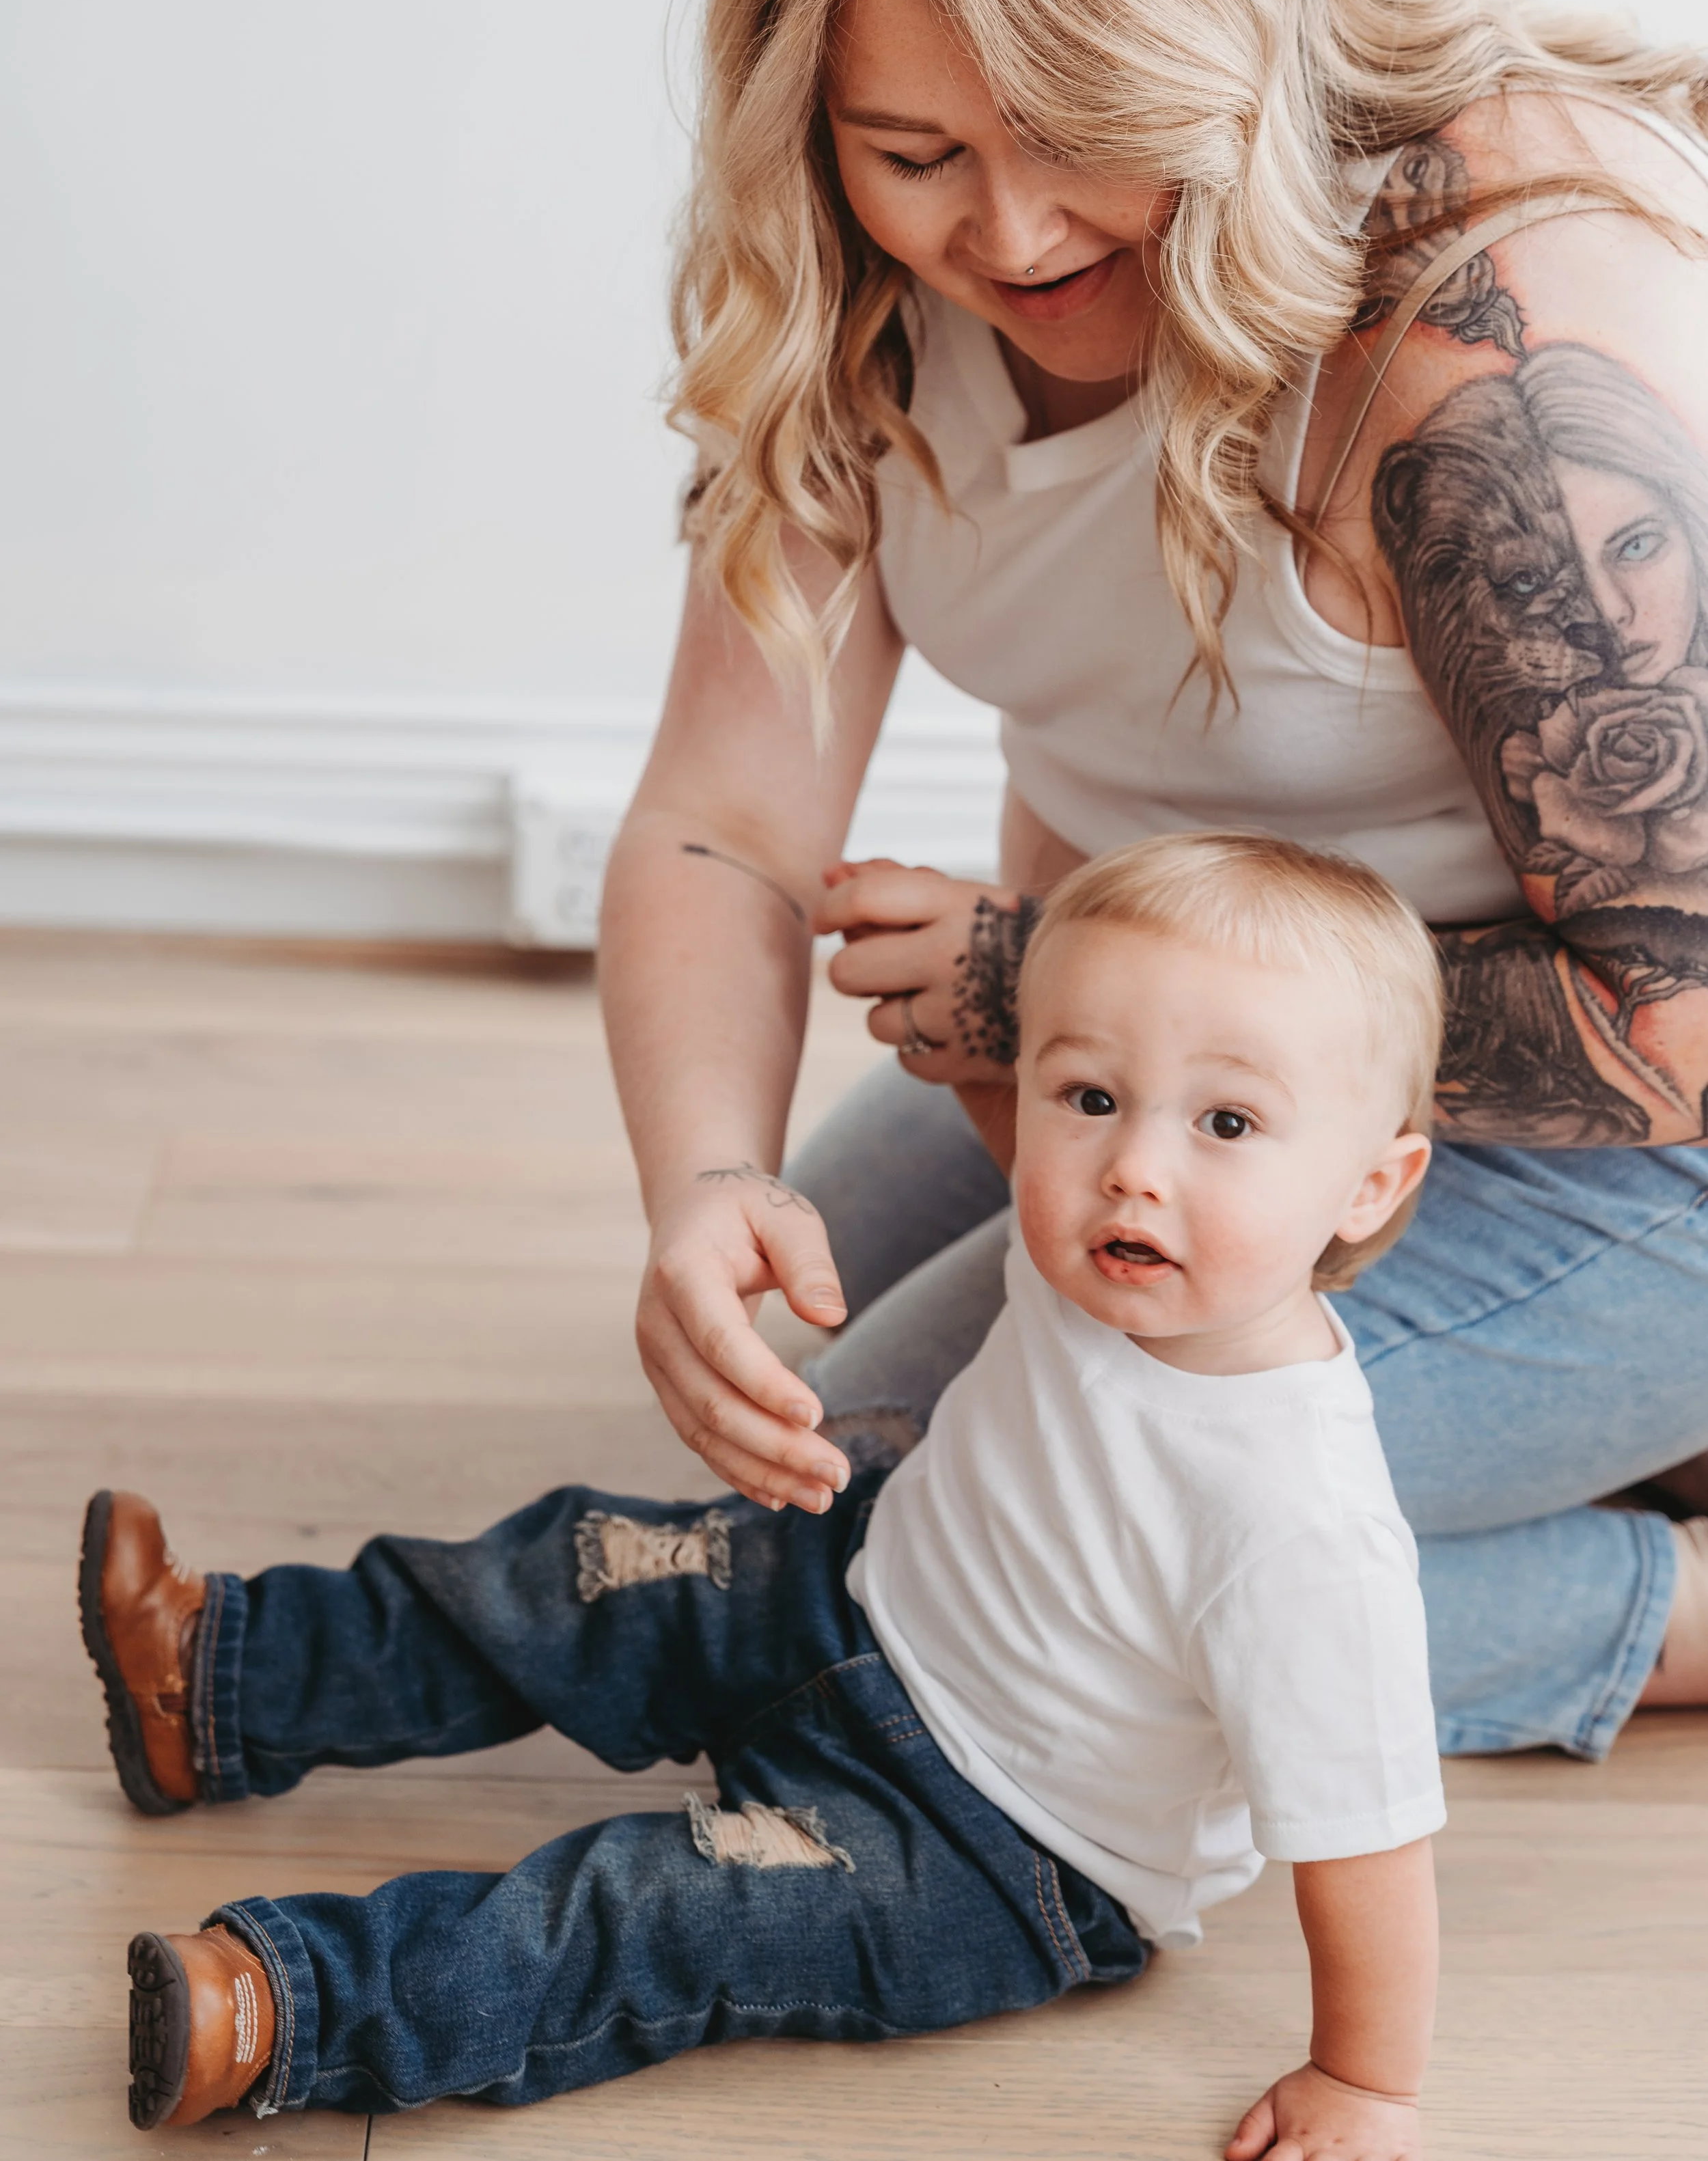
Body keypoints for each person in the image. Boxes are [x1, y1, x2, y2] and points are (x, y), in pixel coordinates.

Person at [599, 0, 1708, 1755]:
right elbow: (717, 821)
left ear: (1217, 40)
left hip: (1647, 1145)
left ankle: (1653, 1601)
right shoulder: (848, 293)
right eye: (912, 149)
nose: (1004, 229)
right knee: (787, 1465)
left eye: (1075, 131)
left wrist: (1032, 993)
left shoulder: (1490, 318)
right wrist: (696, 1182)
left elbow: (1669, 1019)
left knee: (944, 1564)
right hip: (1180, 1049)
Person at [92, 834, 1447, 2159]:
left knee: (650, 1908)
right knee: (576, 1573)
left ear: (1367, 1184)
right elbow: (1028, 1116)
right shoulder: (1113, 1238)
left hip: (992, 1848)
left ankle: (291, 2009)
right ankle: (219, 1677)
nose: (1132, 1165)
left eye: (1225, 1123)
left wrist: (1362, 2078)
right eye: (1088, 1097)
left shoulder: (1302, 1526)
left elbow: (1366, 1840)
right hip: (850, 1590)